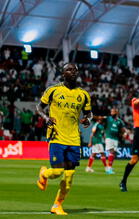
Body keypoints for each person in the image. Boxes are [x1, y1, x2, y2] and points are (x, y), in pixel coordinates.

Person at [35, 63, 92, 215]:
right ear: (63, 73)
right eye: (69, 70)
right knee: (57, 171)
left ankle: (57, 205)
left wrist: (87, 119)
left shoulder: (83, 95)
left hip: (74, 139)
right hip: (56, 136)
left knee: (69, 177)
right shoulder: (53, 90)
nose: (72, 72)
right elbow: (39, 107)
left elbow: (88, 113)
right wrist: (46, 117)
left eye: (75, 70)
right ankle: (44, 174)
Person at [104, 107, 128, 174]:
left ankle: (110, 166)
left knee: (113, 153)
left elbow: (123, 129)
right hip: (109, 137)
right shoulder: (108, 118)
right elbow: (100, 119)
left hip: (115, 138)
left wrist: (124, 133)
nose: (112, 113)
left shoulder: (119, 121)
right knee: (111, 152)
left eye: (113, 112)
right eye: (111, 112)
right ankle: (108, 169)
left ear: (116, 113)